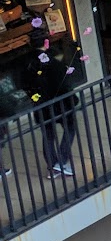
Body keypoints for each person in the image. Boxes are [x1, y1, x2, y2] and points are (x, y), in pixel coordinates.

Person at [27, 32, 82, 179]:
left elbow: (25, 84)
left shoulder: (29, 63)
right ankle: (61, 161)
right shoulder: (53, 61)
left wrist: (34, 97)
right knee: (70, 128)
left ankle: (53, 166)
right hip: (60, 103)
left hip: (42, 105)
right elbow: (63, 83)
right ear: (46, 42)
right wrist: (72, 99)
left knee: (48, 135)